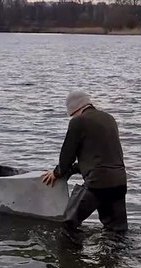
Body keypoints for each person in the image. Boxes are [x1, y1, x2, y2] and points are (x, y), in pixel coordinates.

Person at [41, 90, 128, 245]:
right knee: (117, 233)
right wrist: (71, 170)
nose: (72, 118)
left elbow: (67, 156)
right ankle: (114, 260)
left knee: (68, 225)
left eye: (71, 115)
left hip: (97, 184)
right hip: (120, 183)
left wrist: (58, 172)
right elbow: (98, 158)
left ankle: (72, 260)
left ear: (75, 110)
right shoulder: (109, 119)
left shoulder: (78, 121)